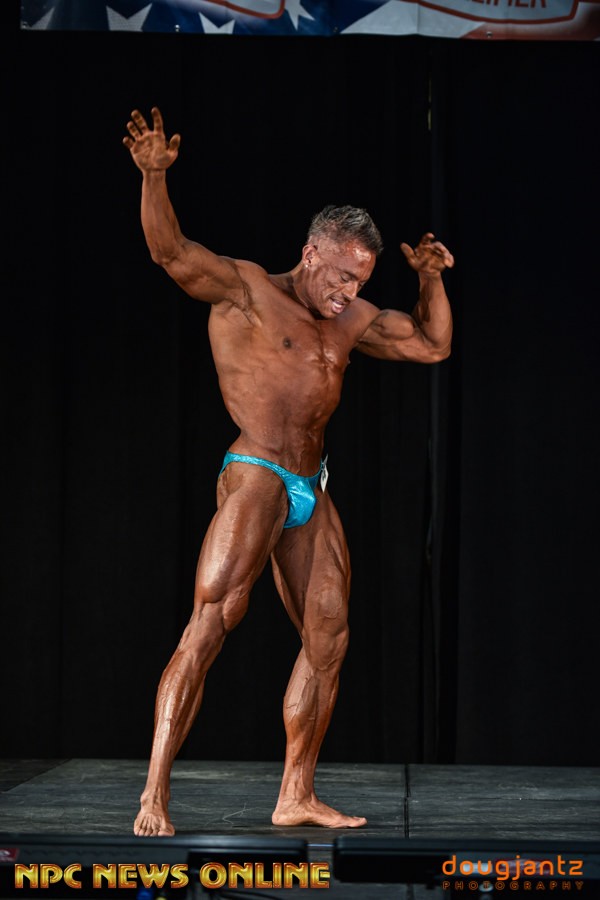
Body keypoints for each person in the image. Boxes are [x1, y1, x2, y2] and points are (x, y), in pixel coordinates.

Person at [123, 107, 454, 837]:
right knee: (211, 623)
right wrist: (153, 177)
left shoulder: (352, 320)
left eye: (360, 280)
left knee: (328, 636)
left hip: (312, 484)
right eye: (341, 276)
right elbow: (170, 252)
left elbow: (432, 345)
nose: (349, 292)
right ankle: (153, 794)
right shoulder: (247, 290)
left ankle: (295, 793)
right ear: (310, 253)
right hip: (256, 472)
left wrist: (429, 280)